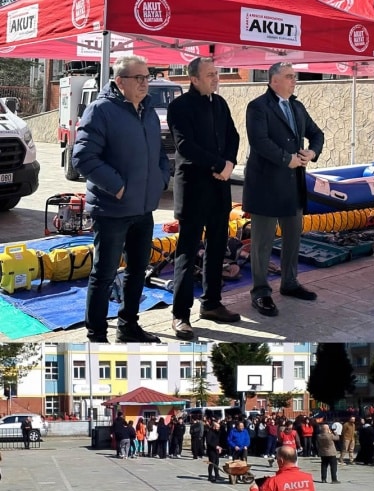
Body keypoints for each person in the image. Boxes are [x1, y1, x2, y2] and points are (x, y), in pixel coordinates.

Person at [73, 55, 169, 343]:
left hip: (143, 208)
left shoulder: (149, 112)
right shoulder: (100, 110)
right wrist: (118, 188)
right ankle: (97, 335)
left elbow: (160, 155)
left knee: (138, 270)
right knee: (104, 274)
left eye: (147, 77)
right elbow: (83, 157)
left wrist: (160, 181)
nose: (144, 83)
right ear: (119, 82)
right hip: (112, 209)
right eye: (138, 78)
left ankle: (129, 326)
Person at [167, 57, 242, 339]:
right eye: (210, 75)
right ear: (194, 78)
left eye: (217, 74)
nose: (216, 78)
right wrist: (217, 165)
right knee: (188, 250)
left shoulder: (219, 103)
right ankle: (180, 314)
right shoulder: (180, 107)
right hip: (194, 187)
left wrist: (230, 164)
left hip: (219, 187)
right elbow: (185, 145)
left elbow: (233, 136)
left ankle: (211, 303)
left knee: (217, 246)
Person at [243, 61, 324, 317]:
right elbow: (260, 141)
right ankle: (260, 292)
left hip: (292, 185)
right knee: (262, 243)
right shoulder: (258, 107)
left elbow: (316, 133)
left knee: (293, 238)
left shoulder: (297, 106)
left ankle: (289, 282)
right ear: (274, 80)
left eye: (294, 76)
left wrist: (313, 151)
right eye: (289, 76)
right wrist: (285, 159)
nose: (294, 80)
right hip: (266, 185)